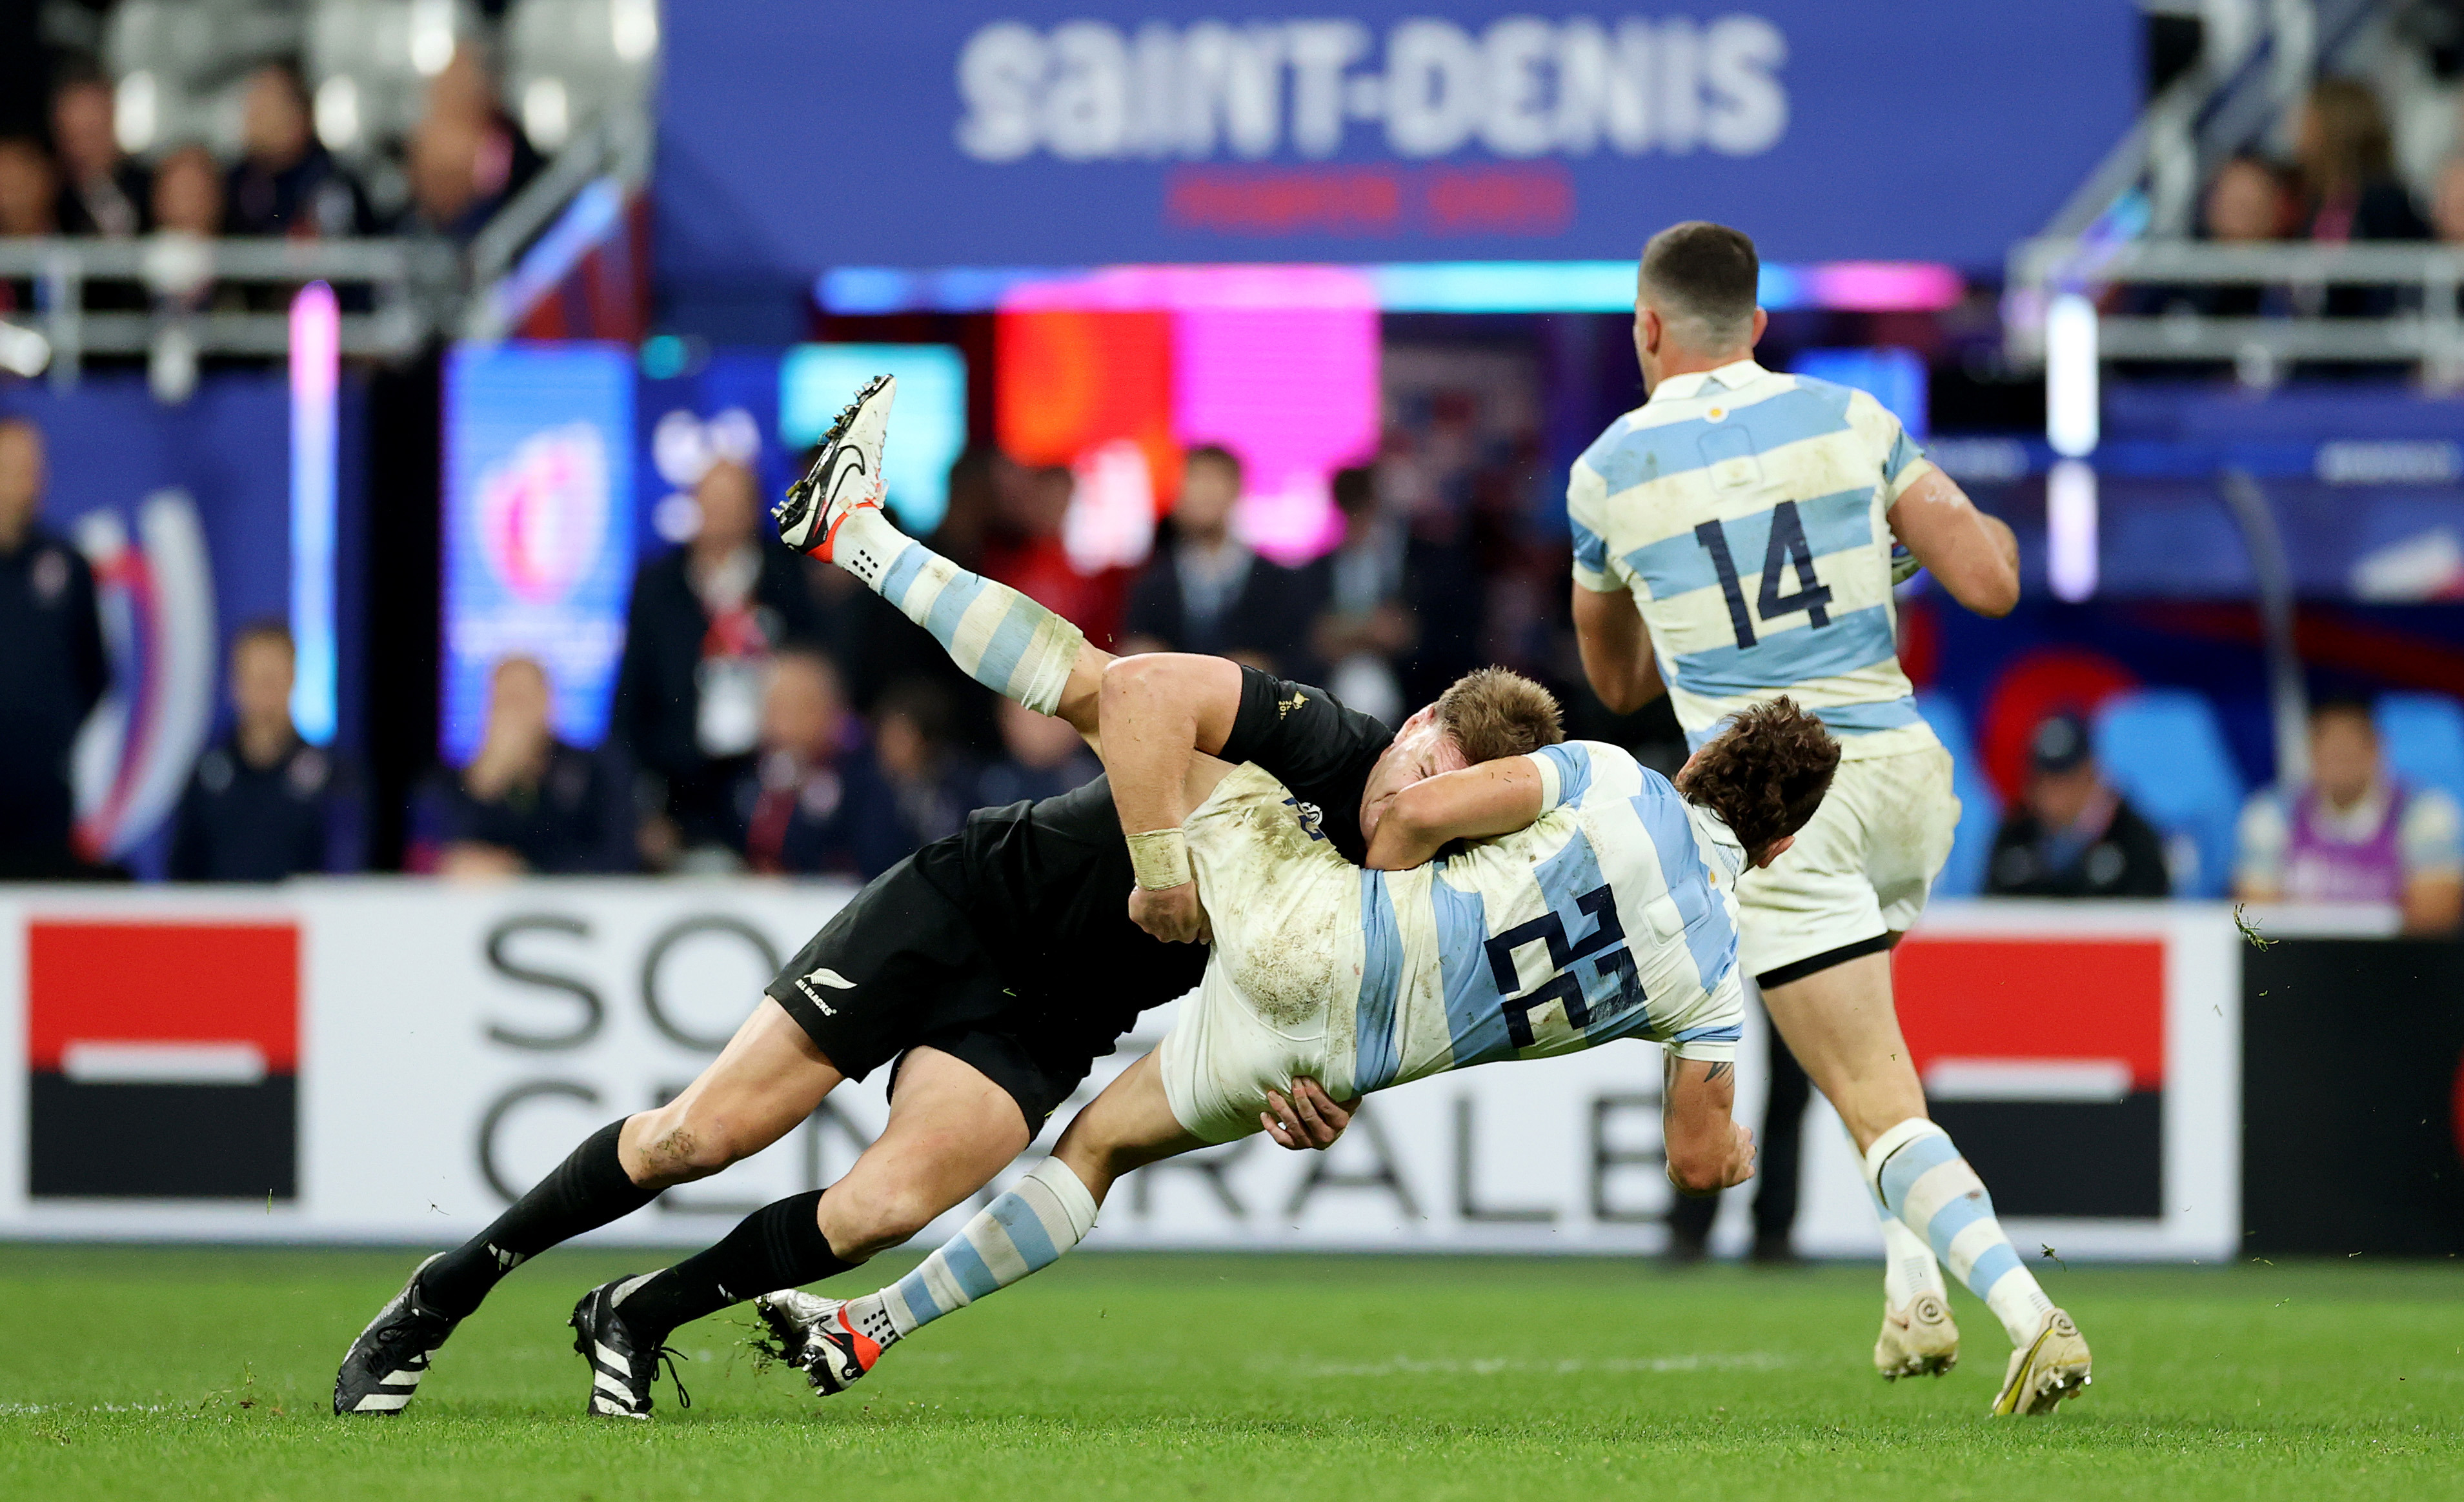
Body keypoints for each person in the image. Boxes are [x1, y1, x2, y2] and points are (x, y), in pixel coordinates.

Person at [332, 378, 1564, 1419]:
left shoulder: (1414, 888)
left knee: (881, 1211)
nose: (1421, 802)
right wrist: (1156, 868)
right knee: (693, 1137)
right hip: (965, 903)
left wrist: (1312, 1094)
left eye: (1455, 807)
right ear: (1413, 726)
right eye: (1427, 768)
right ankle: (442, 1292)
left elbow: (1335, 1016)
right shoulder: (1329, 738)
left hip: (1049, 1017)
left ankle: (634, 1311)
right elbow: (1131, 696)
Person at [590, 379, 1784, 1416]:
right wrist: (1726, 1154)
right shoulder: (1710, 984)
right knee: (1098, 1148)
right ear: (1774, 851)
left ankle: (857, 532)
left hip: (1312, 948)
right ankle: (874, 1325)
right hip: (1341, 1054)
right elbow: (1687, 1152)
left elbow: (1411, 827)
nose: (1415, 781)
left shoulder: (1608, 784)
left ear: (1697, 767)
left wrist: (1301, 892)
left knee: (1118, 689)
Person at [1561, 222, 2088, 1416]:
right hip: (1902, 774)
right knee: (1874, 1056)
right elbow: (1993, 580)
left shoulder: (1604, 472)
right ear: (1755, 324)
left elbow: (1619, 683)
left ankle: (2026, 1311)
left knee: (1867, 1090)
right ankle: (1910, 1286)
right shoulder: (1850, 418)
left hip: (1775, 805)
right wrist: (1909, 546)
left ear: (1647, 327)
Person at [614, 457, 827, 863]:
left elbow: (816, 679)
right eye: (712, 502)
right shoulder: (659, 586)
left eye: (733, 502)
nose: (721, 515)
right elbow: (630, 704)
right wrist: (638, 809)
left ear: (754, 508)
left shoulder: (788, 578)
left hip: (772, 786)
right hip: (680, 790)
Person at [2235, 697, 2463, 936]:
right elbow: (2256, 917)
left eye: (2349, 748)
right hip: (2302, 960)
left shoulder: (2423, 813)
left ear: (2375, 749)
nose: (2340, 760)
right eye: (2330, 748)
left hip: (2393, 961)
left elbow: (2436, 915)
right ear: (2311, 750)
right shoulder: (2271, 814)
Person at [0, 417, 108, 878]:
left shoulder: (65, 565)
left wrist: (50, 736)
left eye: (35, 467)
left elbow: (94, 673)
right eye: (16, 467)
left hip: (42, 796)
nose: (31, 480)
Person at [169, 622, 358, 881]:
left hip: (302, 918)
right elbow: (181, 873)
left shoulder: (330, 776)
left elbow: (344, 872)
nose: (263, 695)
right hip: (224, 918)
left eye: (272, 680)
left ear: (293, 679)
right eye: (254, 680)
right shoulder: (206, 775)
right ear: (235, 684)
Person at [412, 656, 626, 877]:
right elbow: (431, 857)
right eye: (505, 701)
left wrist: (521, 872)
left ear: (548, 703)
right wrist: (485, 783)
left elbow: (616, 857)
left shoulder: (595, 770)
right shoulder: (455, 782)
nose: (514, 714)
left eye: (523, 700)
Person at [1120, 445, 1318, 672]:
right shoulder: (1153, 581)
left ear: (1236, 490)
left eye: (1213, 481)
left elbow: (1297, 658)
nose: (1203, 493)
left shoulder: (1276, 582)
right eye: (1194, 480)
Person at [731, 648, 908, 878]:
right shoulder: (744, 774)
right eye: (772, 707)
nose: (780, 723)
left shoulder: (864, 779)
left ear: (830, 710)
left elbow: (876, 863)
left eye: (795, 708)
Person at [1984, 712, 2171, 899]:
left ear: (2091, 774)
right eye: (2044, 780)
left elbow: (2151, 915)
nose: (2054, 794)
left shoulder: (2132, 837)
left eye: (2066, 779)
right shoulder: (2014, 835)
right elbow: (1989, 914)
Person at [224, 64, 372, 240]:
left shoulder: (328, 183)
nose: (251, 117)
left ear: (297, 116)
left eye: (265, 108)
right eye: (251, 104)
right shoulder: (233, 183)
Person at [50, 72, 148, 239]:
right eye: (73, 137)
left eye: (93, 134)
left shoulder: (149, 188)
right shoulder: (51, 201)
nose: (83, 149)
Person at [976, 694, 1100, 808]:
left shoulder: (1104, 784)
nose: (1046, 718)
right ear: (1004, 718)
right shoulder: (980, 788)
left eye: (1057, 706)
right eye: (1032, 707)